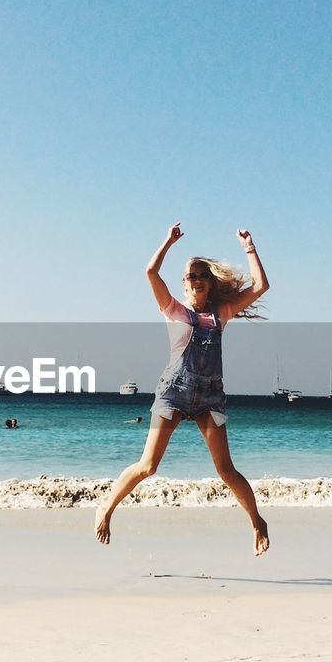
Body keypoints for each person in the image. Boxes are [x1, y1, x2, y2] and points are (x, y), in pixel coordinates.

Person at [95, 223, 270, 555]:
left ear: (210, 281)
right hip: (173, 393)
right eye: (192, 275)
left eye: (203, 274)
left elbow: (261, 285)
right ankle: (106, 508)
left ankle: (257, 522)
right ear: (185, 283)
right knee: (149, 466)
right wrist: (168, 241)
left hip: (209, 397)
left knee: (225, 469)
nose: (198, 279)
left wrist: (249, 247)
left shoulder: (221, 313)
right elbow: (150, 271)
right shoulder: (173, 309)